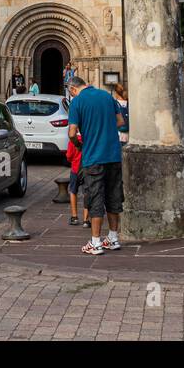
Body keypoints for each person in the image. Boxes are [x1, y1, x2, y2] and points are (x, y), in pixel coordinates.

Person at [66, 75, 123, 255]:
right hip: (113, 154)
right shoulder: (107, 96)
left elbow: (71, 132)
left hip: (93, 156)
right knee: (114, 195)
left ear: (72, 89)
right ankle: (113, 238)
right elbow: (121, 122)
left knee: (95, 197)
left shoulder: (77, 102)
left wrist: (77, 144)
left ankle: (95, 242)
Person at [65, 127, 89, 227]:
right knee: (86, 193)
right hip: (87, 169)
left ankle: (74, 217)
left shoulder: (73, 141)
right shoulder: (88, 139)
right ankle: (86, 220)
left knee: (73, 191)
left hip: (75, 169)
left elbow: (69, 156)